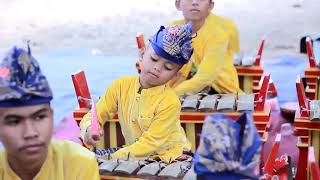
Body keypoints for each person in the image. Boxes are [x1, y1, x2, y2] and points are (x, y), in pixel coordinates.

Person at [80, 23, 193, 163]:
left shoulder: (170, 103)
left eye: (168, 67)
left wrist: (111, 158)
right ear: (143, 53)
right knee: (83, 162)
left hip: (171, 159)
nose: (157, 68)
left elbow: (150, 144)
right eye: (154, 59)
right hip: (134, 153)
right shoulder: (119, 86)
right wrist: (89, 130)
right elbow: (95, 114)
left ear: (175, 75)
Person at [0, 46, 100, 180]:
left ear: (51, 116)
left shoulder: (79, 163)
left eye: (40, 117)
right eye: (14, 121)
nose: (30, 133)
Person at [168, 0, 243, 95]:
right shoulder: (170, 29)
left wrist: (171, 95)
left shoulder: (218, 33)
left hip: (217, 87)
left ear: (211, 5)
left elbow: (206, 76)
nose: (194, 2)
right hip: (179, 85)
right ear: (178, 4)